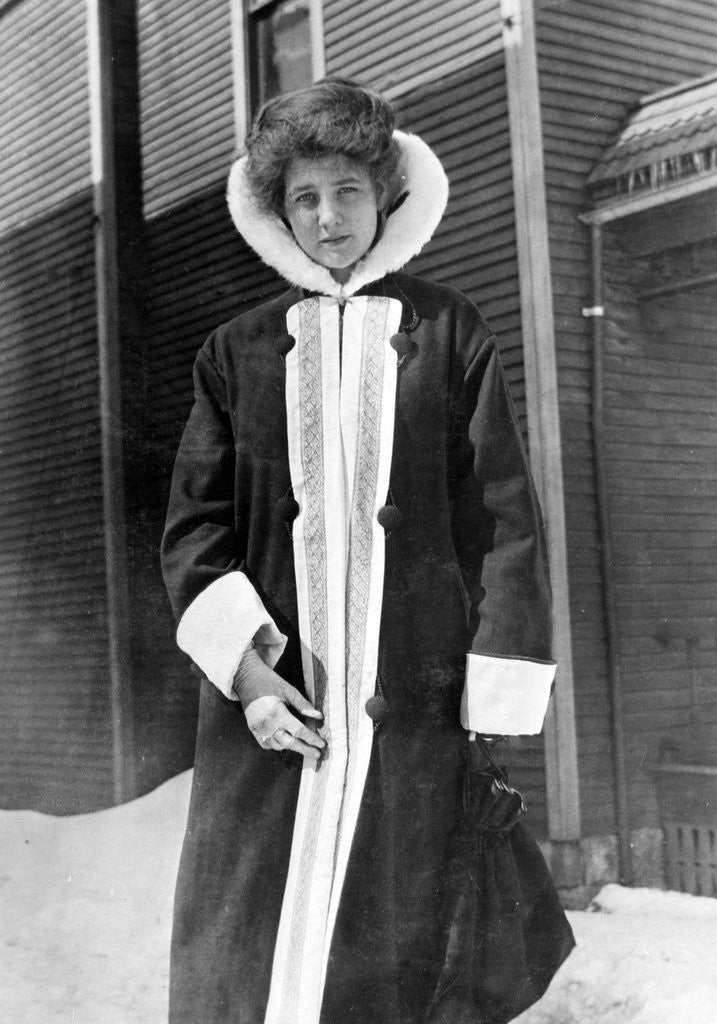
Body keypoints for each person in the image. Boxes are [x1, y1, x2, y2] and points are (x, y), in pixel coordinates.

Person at [161, 77, 573, 1024]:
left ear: (383, 194)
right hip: (275, 722)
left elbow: (503, 521)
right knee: (251, 958)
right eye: (304, 198)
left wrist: (487, 691)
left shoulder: (449, 331)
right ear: (279, 214)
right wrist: (254, 682)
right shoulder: (235, 353)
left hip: (412, 722)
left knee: (394, 964)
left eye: (346, 190)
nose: (328, 216)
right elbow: (194, 533)